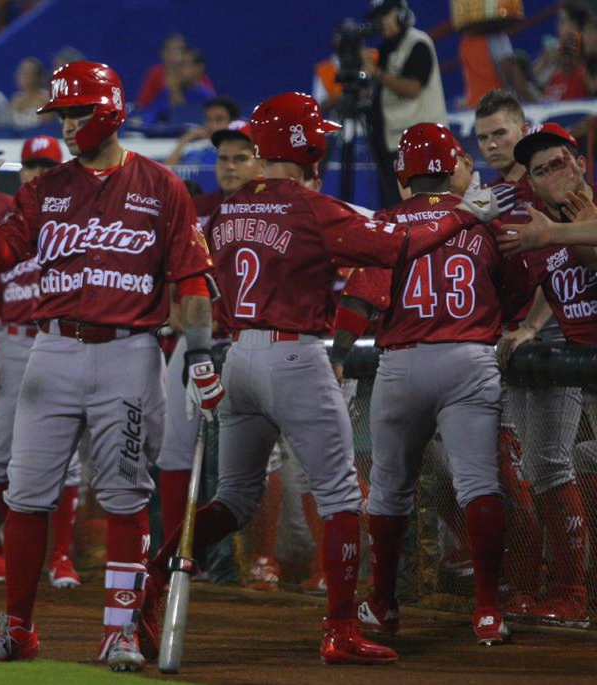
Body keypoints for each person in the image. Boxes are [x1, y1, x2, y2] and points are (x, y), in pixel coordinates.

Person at [141, 92, 513, 666]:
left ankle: (153, 576)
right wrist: (463, 214)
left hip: (236, 355)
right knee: (341, 496)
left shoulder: (230, 208)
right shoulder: (311, 205)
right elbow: (397, 247)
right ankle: (340, 628)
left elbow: (196, 282)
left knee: (232, 499)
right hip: (295, 356)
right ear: (306, 144)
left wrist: (199, 358)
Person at [0, 60, 221, 672]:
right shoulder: (46, 189)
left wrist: (201, 354)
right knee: (25, 494)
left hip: (130, 350)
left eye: (78, 112)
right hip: (53, 349)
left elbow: (192, 278)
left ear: (111, 111)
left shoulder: (161, 186)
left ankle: (119, 632)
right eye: (63, 115)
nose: (68, 125)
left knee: (124, 495)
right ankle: (18, 629)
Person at [331, 123, 527, 646]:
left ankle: (384, 604)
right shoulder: (483, 216)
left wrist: (339, 354)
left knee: (389, 489)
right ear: (453, 165)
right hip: (470, 357)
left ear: (404, 173)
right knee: (479, 485)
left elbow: (360, 298)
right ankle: (488, 610)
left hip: (403, 362)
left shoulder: (390, 221)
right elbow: (515, 287)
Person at [476, 91, 589, 625]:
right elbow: (551, 276)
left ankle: (571, 589)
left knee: (556, 463)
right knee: (548, 464)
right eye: (541, 170)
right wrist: (529, 326)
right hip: (564, 354)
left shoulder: (563, 214)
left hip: (571, 355)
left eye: (500, 133)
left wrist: (554, 231)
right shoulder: (524, 210)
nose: (491, 144)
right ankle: (560, 588)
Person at [0, 134, 83, 590]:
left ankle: (61, 558)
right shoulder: (11, 221)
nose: (37, 173)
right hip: (12, 343)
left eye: (47, 165)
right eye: (31, 165)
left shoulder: (80, 219)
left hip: (62, 340)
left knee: (69, 461)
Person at [156, 119, 260, 576]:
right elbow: (166, 264)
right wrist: (174, 308)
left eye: (241, 158)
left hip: (248, 343)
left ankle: (255, 559)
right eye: (223, 158)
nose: (230, 166)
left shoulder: (274, 209)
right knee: (174, 447)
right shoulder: (196, 209)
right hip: (197, 342)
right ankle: (177, 553)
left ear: (261, 162)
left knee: (251, 462)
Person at [364, 0, 448, 208]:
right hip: (392, 143)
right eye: (378, 17)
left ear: (401, 13)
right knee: (394, 208)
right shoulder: (385, 49)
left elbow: (412, 88)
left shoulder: (418, 42)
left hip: (422, 145)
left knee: (423, 206)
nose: (381, 21)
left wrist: (376, 72)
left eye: (386, 14)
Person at [163, 96, 240, 167]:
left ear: (233, 122)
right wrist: (184, 140)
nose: (212, 125)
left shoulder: (242, 153)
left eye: (219, 119)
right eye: (208, 119)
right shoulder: (196, 153)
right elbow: (166, 173)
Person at [8, 57, 52, 129]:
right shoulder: (16, 99)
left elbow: (48, 125)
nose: (22, 77)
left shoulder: (46, 99)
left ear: (37, 77)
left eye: (27, 73)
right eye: (21, 72)